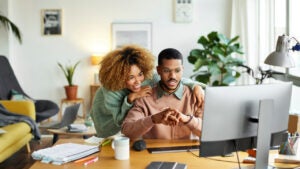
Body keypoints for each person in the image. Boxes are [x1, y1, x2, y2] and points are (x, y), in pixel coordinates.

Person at [90, 45, 205, 138]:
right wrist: (131, 99)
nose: (138, 82)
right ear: (119, 77)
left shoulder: (148, 79)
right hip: (107, 123)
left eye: (140, 74)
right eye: (131, 77)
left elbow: (172, 79)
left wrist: (195, 85)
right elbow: (121, 122)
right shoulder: (111, 91)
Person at [122, 48, 202, 141]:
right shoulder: (144, 98)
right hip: (154, 154)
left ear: (182, 70)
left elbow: (208, 132)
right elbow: (127, 131)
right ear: (158, 70)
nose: (172, 76)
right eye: (166, 71)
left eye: (177, 70)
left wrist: (187, 119)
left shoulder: (195, 96)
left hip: (187, 154)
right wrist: (153, 119)